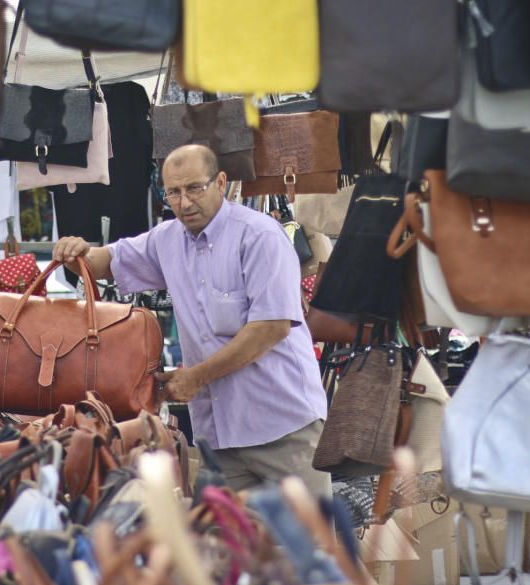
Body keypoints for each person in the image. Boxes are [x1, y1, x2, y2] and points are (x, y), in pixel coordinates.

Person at [53, 144, 330, 497]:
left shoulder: (259, 236)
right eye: (174, 192)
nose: (184, 203)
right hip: (219, 437)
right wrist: (75, 253)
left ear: (221, 182)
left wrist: (195, 377)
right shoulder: (166, 239)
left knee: (305, 549)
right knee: (219, 548)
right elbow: (107, 261)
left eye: (195, 188)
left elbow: (270, 328)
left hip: (284, 428)